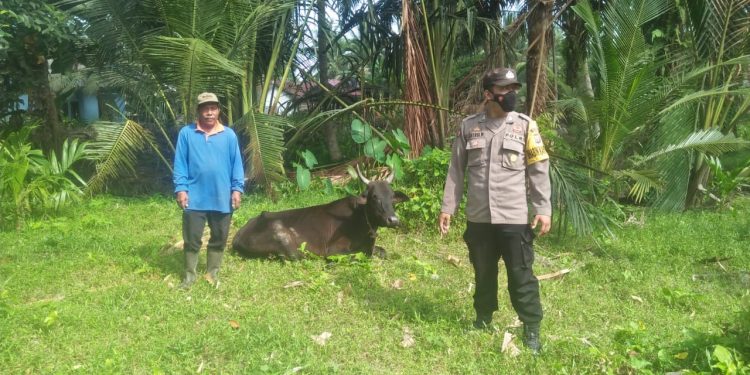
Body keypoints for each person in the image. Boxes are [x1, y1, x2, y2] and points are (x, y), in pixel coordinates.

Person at [438, 67, 551, 354]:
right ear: (489, 94)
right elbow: (456, 170)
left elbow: (538, 169)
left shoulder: (525, 126)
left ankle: (531, 329)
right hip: (479, 219)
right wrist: (447, 207)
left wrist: (542, 207)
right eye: (504, 90)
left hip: (514, 218)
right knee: (483, 272)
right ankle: (483, 318)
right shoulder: (468, 127)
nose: (511, 94)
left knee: (520, 274)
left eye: (513, 89)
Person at [173, 92, 245, 289]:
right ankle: (189, 277)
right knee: (192, 238)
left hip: (222, 196)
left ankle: (212, 274)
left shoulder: (229, 135)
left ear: (218, 110)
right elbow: (180, 164)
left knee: (219, 237)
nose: (209, 112)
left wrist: (237, 189)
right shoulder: (186, 134)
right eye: (205, 108)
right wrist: (181, 189)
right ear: (198, 111)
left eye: (213, 108)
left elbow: (236, 164)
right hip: (194, 197)